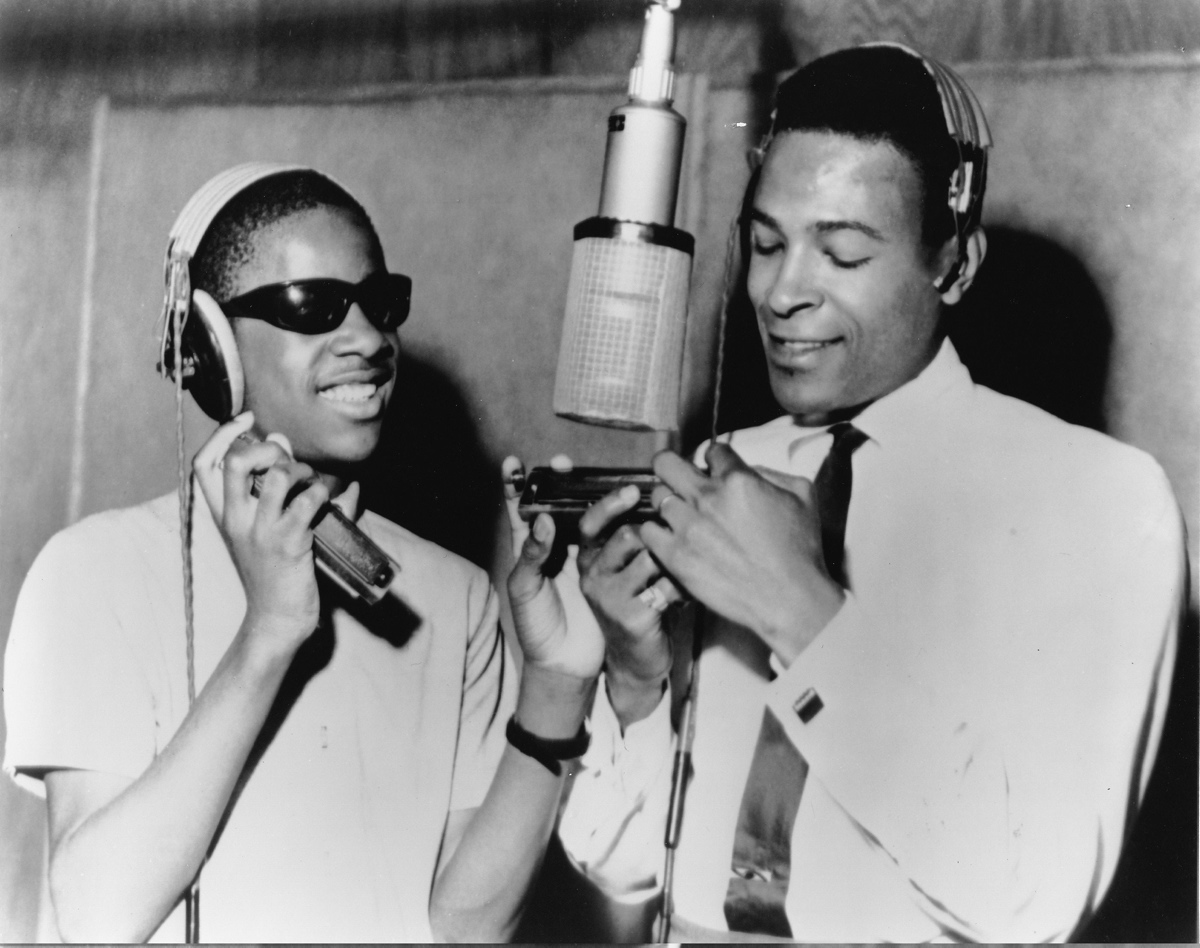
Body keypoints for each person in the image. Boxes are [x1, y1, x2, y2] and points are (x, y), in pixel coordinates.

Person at [553, 43, 1187, 942]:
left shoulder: (1098, 501)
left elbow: (1031, 898)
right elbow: (619, 864)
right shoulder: (724, 470)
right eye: (765, 245)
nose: (781, 292)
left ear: (954, 264)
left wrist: (798, 610)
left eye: (842, 253)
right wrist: (634, 671)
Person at [3, 165, 602, 943]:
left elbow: (465, 930)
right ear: (210, 345)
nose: (369, 340)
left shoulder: (454, 597)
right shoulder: (95, 571)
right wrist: (270, 633)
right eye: (314, 307)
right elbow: (97, 919)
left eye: (380, 305)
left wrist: (557, 686)